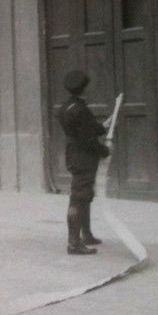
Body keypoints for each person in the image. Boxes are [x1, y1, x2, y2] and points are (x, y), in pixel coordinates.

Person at [57, 69, 110, 255]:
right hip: (84, 159)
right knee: (79, 197)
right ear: (84, 89)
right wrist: (105, 150)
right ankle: (74, 243)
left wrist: (102, 127)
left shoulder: (65, 108)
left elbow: (81, 131)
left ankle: (86, 235)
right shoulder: (82, 111)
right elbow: (87, 140)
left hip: (73, 155)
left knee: (84, 195)